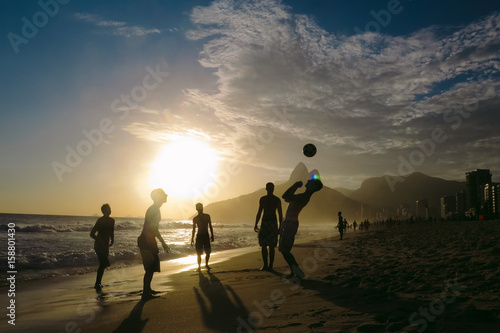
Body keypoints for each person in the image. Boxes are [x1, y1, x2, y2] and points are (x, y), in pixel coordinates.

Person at [279, 179, 323, 279]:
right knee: (284, 249)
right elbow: (287, 199)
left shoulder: (303, 197)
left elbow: (284, 196)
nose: (308, 179)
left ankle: (297, 271)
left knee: (284, 250)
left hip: (290, 224)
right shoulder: (303, 196)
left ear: (312, 187)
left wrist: (295, 185)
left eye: (311, 181)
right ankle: (294, 271)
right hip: (289, 223)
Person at [137, 188, 170, 300]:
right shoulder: (154, 209)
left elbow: (154, 229)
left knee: (152, 266)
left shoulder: (156, 209)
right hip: (146, 241)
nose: (166, 196)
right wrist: (163, 243)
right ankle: (146, 292)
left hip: (149, 241)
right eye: (164, 194)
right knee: (150, 268)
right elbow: (153, 228)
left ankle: (148, 289)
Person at [254, 182, 283, 271]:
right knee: (264, 245)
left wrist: (280, 227)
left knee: (270, 246)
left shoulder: (276, 200)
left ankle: (269, 265)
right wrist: (255, 223)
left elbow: (280, 214)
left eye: (272, 188)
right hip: (266, 223)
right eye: (269, 187)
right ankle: (266, 265)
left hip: (271, 223)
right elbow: (259, 212)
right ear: (266, 188)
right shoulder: (263, 199)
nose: (271, 189)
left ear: (273, 189)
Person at [90, 203, 115, 293]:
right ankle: (97, 283)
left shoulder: (112, 220)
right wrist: (99, 240)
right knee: (103, 263)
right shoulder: (100, 220)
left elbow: (111, 231)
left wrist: (112, 240)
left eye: (110, 208)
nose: (110, 210)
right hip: (99, 246)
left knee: (103, 264)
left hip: (105, 246)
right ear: (104, 211)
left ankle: (98, 283)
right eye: (109, 209)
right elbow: (92, 233)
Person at [191, 203, 214, 270]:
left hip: (200, 236)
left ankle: (201, 266)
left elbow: (194, 229)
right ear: (202, 208)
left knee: (200, 253)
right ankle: (205, 265)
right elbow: (210, 226)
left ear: (196, 209)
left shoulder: (196, 218)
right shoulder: (206, 216)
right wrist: (212, 235)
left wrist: (192, 238)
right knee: (205, 252)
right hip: (204, 235)